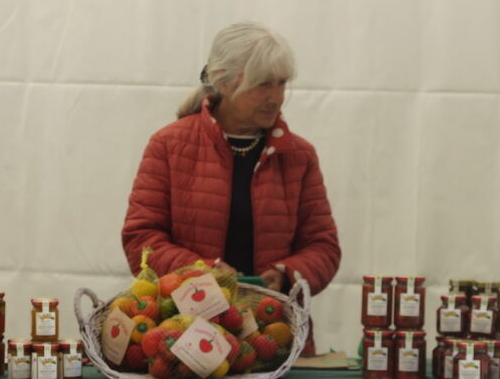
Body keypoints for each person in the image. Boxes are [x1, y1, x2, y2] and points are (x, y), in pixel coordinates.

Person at [121, 22, 340, 300]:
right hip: (183, 331)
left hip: (275, 331)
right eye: (262, 85)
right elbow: (141, 239)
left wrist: (287, 274)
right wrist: (201, 273)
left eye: (281, 83)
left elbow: (323, 247)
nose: (277, 97)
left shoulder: (299, 156)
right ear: (223, 82)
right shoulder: (168, 145)